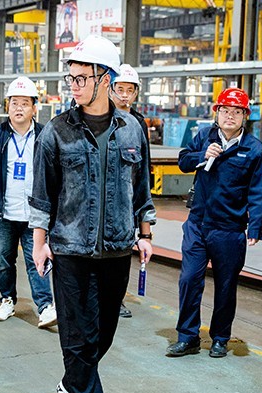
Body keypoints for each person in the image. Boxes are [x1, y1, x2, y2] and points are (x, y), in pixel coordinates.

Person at [29, 35, 154, 393]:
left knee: (104, 334)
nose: (74, 86)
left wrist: (145, 233)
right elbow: (43, 194)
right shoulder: (57, 131)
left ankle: (73, 381)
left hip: (117, 247)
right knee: (76, 336)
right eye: (72, 78)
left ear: (106, 79)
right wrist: (40, 243)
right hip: (70, 248)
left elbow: (142, 189)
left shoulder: (131, 129)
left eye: (82, 78)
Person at [166, 87, 262, 359]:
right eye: (225, 110)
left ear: (245, 116)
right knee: (189, 280)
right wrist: (202, 155)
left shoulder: (254, 149)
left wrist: (255, 226)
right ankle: (188, 337)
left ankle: (220, 338)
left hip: (229, 229)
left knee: (225, 285)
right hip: (198, 224)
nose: (229, 116)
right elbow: (183, 161)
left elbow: (258, 191)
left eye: (236, 112)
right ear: (217, 113)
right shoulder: (204, 137)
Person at [0, 76, 57, 329]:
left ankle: (45, 307)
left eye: (25, 103)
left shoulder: (46, 135)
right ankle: (7, 300)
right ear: (7, 106)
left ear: (34, 107)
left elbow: (54, 171)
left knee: (38, 260)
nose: (19, 108)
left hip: (35, 214)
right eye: (14, 103)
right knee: (4, 260)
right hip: (5, 211)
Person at [110, 63, 151, 319]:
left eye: (130, 90)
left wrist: (145, 227)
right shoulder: (101, 118)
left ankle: (117, 299)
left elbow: (143, 167)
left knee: (123, 252)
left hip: (128, 196)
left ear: (136, 92)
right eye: (120, 89)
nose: (124, 95)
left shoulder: (138, 123)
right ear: (110, 89)